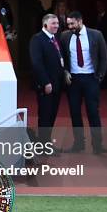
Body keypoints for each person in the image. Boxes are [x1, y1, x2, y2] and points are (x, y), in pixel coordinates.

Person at [60, 11, 107, 154]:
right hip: (73, 80)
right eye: (68, 24)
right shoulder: (65, 36)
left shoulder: (96, 34)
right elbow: (61, 56)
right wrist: (65, 71)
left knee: (93, 112)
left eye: (72, 24)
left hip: (90, 79)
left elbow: (104, 57)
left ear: (80, 21)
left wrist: (99, 76)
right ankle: (78, 144)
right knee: (75, 113)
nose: (70, 26)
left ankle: (98, 146)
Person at [29, 13, 65, 147]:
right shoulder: (37, 39)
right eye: (53, 23)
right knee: (45, 115)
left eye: (57, 23)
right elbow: (37, 63)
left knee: (52, 114)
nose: (56, 26)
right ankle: (43, 145)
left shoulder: (56, 38)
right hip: (46, 85)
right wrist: (46, 82)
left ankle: (46, 142)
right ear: (45, 25)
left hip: (57, 83)